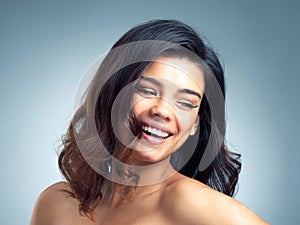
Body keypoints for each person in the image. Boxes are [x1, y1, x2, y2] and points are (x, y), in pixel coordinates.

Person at [30, 19, 269, 225]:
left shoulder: (192, 202)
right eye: (147, 90)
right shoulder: (54, 204)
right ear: (112, 94)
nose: (163, 111)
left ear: (196, 124)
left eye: (186, 103)